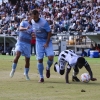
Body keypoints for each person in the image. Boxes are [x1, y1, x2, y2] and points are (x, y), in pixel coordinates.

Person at [31, 9, 54, 82]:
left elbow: (49, 32)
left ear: (38, 15)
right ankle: (41, 77)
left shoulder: (44, 22)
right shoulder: (32, 21)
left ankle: (48, 68)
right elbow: (32, 29)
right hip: (38, 41)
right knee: (40, 59)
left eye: (36, 17)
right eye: (34, 17)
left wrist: (47, 43)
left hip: (46, 40)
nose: (35, 19)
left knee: (50, 57)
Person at [9, 14, 34, 80]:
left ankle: (26, 74)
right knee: (17, 55)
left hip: (28, 43)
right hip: (20, 42)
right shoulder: (24, 22)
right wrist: (26, 28)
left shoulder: (34, 26)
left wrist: (34, 35)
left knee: (27, 60)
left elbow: (33, 34)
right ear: (30, 17)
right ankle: (13, 69)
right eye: (32, 17)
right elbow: (20, 28)